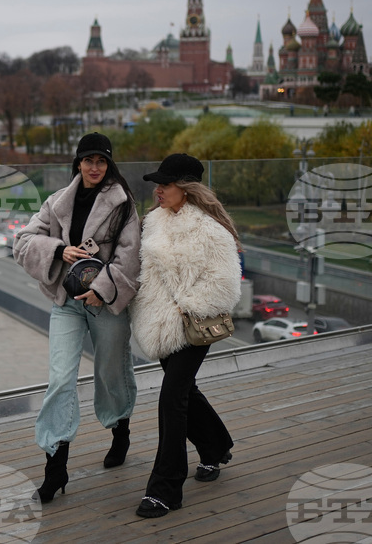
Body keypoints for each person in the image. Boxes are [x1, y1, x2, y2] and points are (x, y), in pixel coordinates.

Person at [13, 132, 141, 504]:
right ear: (78, 163)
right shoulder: (57, 202)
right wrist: (57, 249)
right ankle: (56, 466)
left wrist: (101, 289)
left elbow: (129, 259)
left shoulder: (123, 205)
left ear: (109, 164)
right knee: (60, 379)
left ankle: (120, 428)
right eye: (88, 160)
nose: (94, 167)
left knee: (111, 370)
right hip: (66, 302)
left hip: (104, 300)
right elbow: (22, 240)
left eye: (101, 161)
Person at [129, 153, 242, 519]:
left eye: (166, 184)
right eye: (157, 184)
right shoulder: (153, 222)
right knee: (185, 391)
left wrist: (184, 307)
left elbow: (225, 286)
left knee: (172, 397)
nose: (158, 190)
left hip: (192, 327)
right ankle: (215, 448)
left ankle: (165, 488)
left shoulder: (211, 230)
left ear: (187, 188)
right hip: (157, 324)